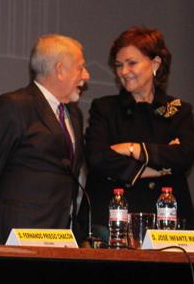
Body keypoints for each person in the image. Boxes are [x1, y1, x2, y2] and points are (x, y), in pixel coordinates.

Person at [80, 26, 194, 238]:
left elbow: (184, 155)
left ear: (155, 64)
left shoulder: (179, 109)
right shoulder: (105, 108)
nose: (124, 71)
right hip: (110, 224)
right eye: (119, 65)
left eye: (131, 63)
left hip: (168, 224)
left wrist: (132, 149)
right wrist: (157, 169)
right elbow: (97, 157)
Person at [0, 34, 90, 244]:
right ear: (59, 70)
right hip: (19, 236)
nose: (86, 75)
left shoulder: (74, 114)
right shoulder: (14, 106)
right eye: (80, 67)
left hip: (64, 236)